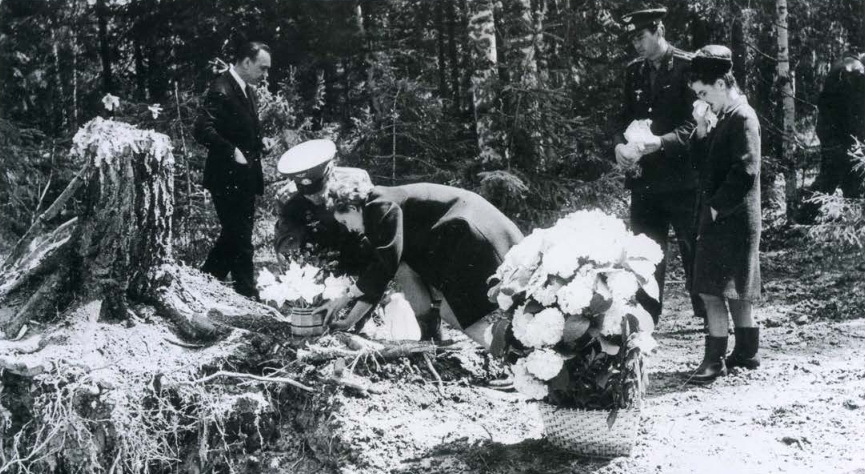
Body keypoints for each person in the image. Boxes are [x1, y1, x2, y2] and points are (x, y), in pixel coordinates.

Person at [314, 173, 524, 349]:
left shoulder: (379, 204)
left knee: (457, 315)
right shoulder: (377, 207)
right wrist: (349, 320)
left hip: (470, 234)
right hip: (463, 235)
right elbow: (381, 274)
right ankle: (435, 339)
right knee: (413, 277)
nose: (348, 228)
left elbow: (385, 265)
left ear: (352, 208)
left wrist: (343, 298)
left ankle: (513, 360)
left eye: (344, 221)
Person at [614, 7, 706, 323]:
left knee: (694, 249)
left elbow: (696, 125)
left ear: (659, 30)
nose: (637, 45)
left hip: (684, 180)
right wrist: (618, 148)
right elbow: (621, 118)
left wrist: (661, 142)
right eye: (632, 40)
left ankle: (710, 318)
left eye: (641, 37)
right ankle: (646, 319)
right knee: (645, 252)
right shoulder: (633, 72)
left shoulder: (688, 66)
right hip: (646, 182)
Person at [683, 45, 762, 384]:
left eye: (703, 92)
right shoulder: (724, 116)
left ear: (720, 83)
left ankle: (714, 361)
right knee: (734, 288)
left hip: (730, 217)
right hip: (729, 216)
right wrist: (701, 127)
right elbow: (701, 164)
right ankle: (747, 351)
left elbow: (746, 170)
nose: (702, 99)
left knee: (711, 290)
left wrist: (715, 209)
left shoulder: (742, 116)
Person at [193, 41, 272, 298]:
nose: (265, 75)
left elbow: (242, 129)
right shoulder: (221, 88)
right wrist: (231, 151)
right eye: (262, 68)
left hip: (245, 178)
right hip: (225, 179)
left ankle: (205, 284)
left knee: (235, 236)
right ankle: (247, 294)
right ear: (246, 62)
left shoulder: (247, 90)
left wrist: (261, 142)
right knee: (240, 238)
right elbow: (202, 129)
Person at [799, 51, 865, 223]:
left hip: (831, 133)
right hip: (842, 136)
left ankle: (852, 219)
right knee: (834, 177)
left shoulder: (843, 65)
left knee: (839, 176)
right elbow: (856, 111)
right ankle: (803, 217)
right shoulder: (857, 71)